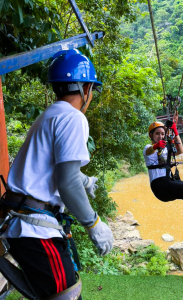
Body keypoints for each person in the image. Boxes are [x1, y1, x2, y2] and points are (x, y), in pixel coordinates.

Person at [0, 49, 113, 299]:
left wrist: (85, 181)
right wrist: (94, 224)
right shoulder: (73, 118)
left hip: (23, 222)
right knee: (68, 295)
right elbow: (67, 180)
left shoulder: (50, 114)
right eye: (92, 90)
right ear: (85, 89)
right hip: (36, 231)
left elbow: (55, 169)